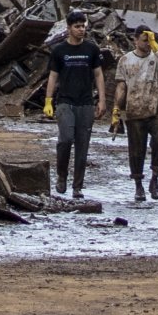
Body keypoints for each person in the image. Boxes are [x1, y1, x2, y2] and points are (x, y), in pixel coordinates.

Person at [43, 10, 106, 199]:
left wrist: (101, 100)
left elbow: (98, 75)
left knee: (82, 145)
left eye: (83, 26)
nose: (81, 30)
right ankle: (61, 176)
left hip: (86, 103)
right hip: (65, 102)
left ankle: (77, 186)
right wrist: (48, 100)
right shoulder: (59, 50)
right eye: (77, 26)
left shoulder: (91, 49)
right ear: (69, 28)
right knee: (65, 139)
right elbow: (53, 76)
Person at [113, 26, 158, 201]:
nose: (147, 44)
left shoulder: (156, 56)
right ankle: (138, 185)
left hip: (156, 108)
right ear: (135, 40)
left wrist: (155, 44)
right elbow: (122, 86)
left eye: (149, 40)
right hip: (135, 110)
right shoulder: (125, 60)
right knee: (136, 150)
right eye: (144, 40)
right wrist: (116, 109)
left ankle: (155, 179)